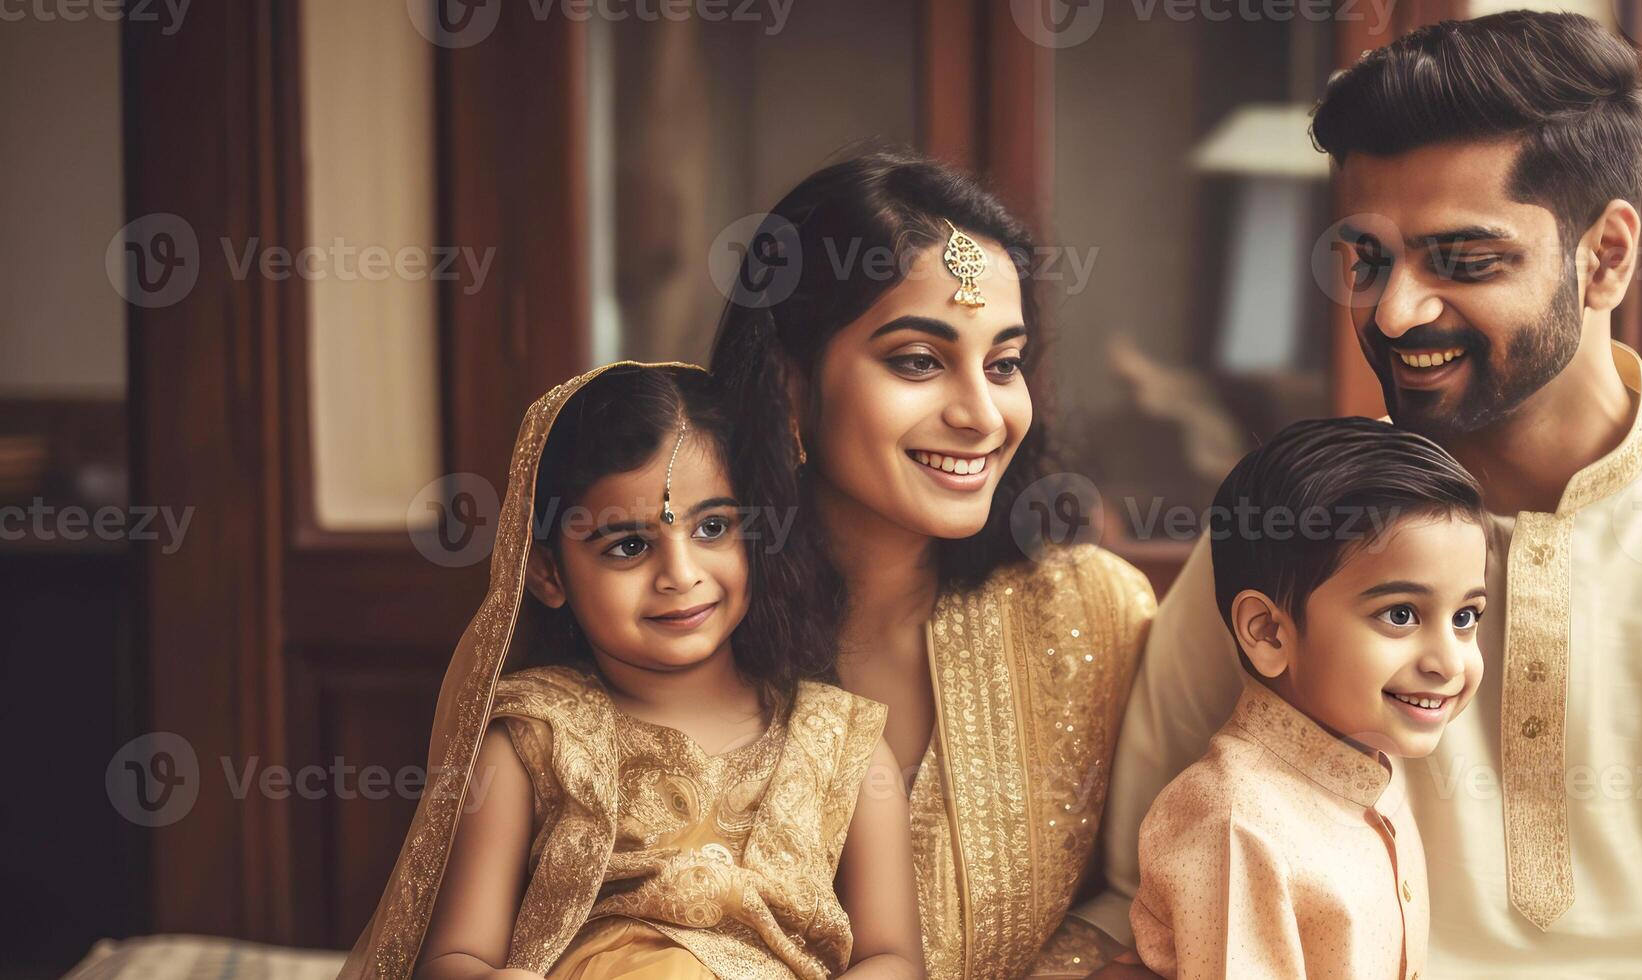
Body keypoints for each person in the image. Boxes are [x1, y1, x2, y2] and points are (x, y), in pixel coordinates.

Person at [1089, 12, 1642, 978]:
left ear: (1607, 256)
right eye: (1368, 260)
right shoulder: (1289, 517)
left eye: (1463, 260)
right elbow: (1139, 896)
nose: (1393, 311)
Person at [709, 152, 1157, 979]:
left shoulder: (1093, 612)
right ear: (789, 384)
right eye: (918, 360)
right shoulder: (687, 616)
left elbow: (1147, 896)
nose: (982, 415)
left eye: (1004, 363)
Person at [339, 363, 922, 980]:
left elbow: (894, 957)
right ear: (548, 573)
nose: (680, 573)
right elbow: (455, 958)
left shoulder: (839, 744)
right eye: (628, 546)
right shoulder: (535, 740)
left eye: (714, 528)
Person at [1129, 418, 1487, 979]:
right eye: (1401, 615)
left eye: (1465, 617)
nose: (1448, 661)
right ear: (1269, 632)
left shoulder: (1373, 775)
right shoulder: (1234, 822)